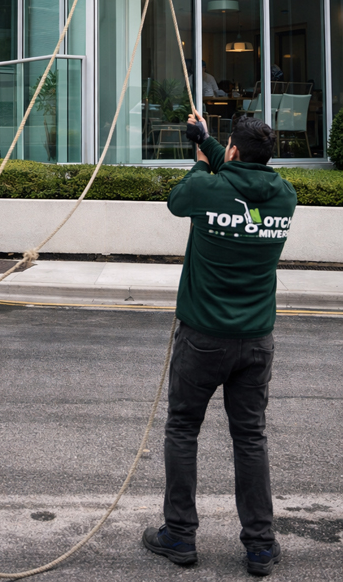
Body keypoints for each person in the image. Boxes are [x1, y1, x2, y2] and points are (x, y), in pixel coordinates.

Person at [142, 114, 297, 577]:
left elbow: (179, 199)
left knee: (182, 429)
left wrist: (198, 155)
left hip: (203, 339)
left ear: (233, 151)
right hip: (257, 342)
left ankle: (179, 535)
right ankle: (260, 545)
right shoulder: (285, 197)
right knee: (250, 438)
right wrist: (209, 140)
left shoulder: (205, 188)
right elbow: (237, 176)